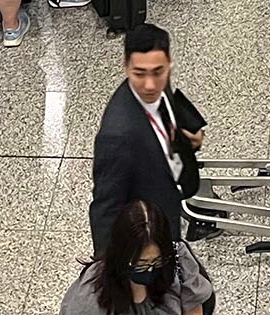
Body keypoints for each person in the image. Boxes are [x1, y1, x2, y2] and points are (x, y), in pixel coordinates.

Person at [89, 23, 207, 254]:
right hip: (148, 231)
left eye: (158, 72)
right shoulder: (117, 135)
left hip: (170, 196)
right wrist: (107, 270)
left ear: (169, 63)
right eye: (139, 74)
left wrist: (189, 132)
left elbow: (168, 106)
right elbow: (105, 206)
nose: (150, 85)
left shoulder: (159, 80)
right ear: (125, 66)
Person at [57, 197, 215, 315]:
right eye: (141, 263)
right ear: (122, 256)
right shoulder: (88, 302)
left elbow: (193, 305)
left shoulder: (176, 259)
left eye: (156, 261)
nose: (150, 269)